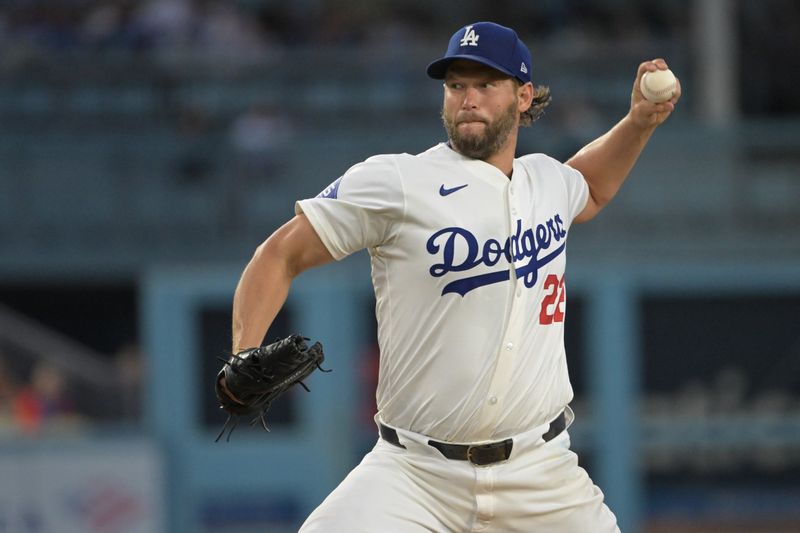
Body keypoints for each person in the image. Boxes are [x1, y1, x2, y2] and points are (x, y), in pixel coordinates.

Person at [226, 21, 680, 532]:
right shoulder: (398, 181)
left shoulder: (546, 182)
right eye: (456, 84)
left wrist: (639, 123)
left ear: (524, 96)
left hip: (541, 475)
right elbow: (278, 255)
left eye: (486, 84)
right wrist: (244, 351)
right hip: (413, 474)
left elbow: (590, 187)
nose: (468, 98)